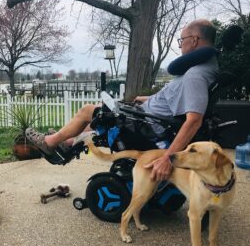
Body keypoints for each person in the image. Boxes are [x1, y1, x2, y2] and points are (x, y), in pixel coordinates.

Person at [26, 19, 219, 181]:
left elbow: (194, 120)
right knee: (101, 113)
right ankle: (67, 142)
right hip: (150, 115)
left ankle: (50, 143)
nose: (181, 44)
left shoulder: (195, 75)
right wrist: (149, 99)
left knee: (88, 110)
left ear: (194, 40)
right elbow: (178, 99)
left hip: (150, 126)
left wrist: (168, 159)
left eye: (182, 39)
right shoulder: (205, 67)